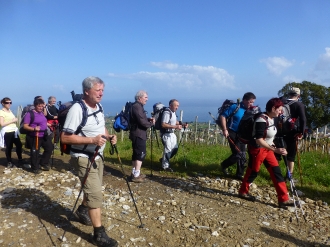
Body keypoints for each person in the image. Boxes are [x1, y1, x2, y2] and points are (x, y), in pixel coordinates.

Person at [60, 76, 118, 247]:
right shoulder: (77, 109)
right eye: (98, 90)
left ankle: (82, 210)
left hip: (98, 156)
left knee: (92, 189)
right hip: (84, 158)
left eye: (102, 90)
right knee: (95, 194)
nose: (101, 93)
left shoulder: (98, 106)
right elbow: (65, 137)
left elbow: (100, 127)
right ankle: (98, 234)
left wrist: (108, 136)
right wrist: (92, 141)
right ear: (87, 91)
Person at [238, 98, 294, 208]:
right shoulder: (261, 120)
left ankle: (283, 199)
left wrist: (274, 146)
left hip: (268, 149)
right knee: (253, 171)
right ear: (273, 108)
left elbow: (268, 136)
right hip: (257, 149)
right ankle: (243, 192)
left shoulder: (272, 118)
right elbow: (258, 139)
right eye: (279, 109)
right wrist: (275, 150)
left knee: (276, 172)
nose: (280, 112)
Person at [219, 92, 256, 180]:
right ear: (244, 100)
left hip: (243, 134)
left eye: (253, 102)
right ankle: (224, 165)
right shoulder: (235, 107)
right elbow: (223, 116)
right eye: (250, 102)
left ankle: (239, 175)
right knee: (238, 154)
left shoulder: (251, 110)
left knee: (242, 154)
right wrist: (225, 129)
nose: (251, 104)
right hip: (232, 132)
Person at [276, 87, 306, 180]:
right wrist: (301, 132)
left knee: (277, 154)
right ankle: (289, 176)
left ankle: (275, 174)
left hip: (278, 132)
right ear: (298, 96)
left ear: (289, 94)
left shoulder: (280, 102)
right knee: (291, 155)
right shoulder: (299, 105)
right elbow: (303, 119)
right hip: (292, 133)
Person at [129, 90, 154, 183]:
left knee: (136, 153)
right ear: (140, 98)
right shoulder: (137, 107)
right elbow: (142, 122)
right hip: (139, 134)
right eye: (145, 97)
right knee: (140, 154)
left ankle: (134, 172)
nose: (147, 99)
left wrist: (147, 119)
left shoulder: (135, 106)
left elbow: (139, 119)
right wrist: (151, 124)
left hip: (135, 133)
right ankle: (136, 175)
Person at [23, 98, 53, 174]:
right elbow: (25, 126)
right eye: (39, 106)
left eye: (42, 106)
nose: (41, 108)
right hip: (35, 136)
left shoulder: (41, 113)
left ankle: (43, 163)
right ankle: (34, 168)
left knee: (49, 148)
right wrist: (34, 129)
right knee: (35, 152)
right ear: (35, 105)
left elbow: (43, 121)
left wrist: (50, 125)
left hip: (44, 135)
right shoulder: (30, 114)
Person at [160, 99, 188, 172]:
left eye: (178, 106)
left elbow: (174, 121)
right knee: (168, 150)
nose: (177, 107)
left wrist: (182, 124)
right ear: (170, 105)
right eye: (176, 105)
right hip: (166, 134)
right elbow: (163, 124)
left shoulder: (172, 112)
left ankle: (164, 160)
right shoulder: (167, 112)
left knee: (175, 149)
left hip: (171, 133)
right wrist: (176, 127)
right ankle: (165, 166)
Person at [0, 97, 23, 168]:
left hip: (14, 131)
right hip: (7, 132)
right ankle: (9, 162)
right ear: (3, 103)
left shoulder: (9, 111)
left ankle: (20, 159)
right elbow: (2, 124)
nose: (9, 104)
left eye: (10, 102)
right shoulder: (1, 112)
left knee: (19, 145)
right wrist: (13, 121)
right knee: (9, 147)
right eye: (7, 103)